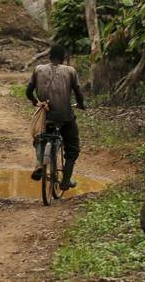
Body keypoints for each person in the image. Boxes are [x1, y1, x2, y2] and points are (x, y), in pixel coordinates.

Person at [26, 43, 85, 189]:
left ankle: (40, 164)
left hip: (46, 115)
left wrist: (35, 102)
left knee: (40, 136)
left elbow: (28, 92)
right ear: (64, 58)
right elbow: (78, 93)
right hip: (65, 116)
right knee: (72, 148)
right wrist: (81, 104)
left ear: (49, 56)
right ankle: (65, 181)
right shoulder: (70, 71)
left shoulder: (38, 69)